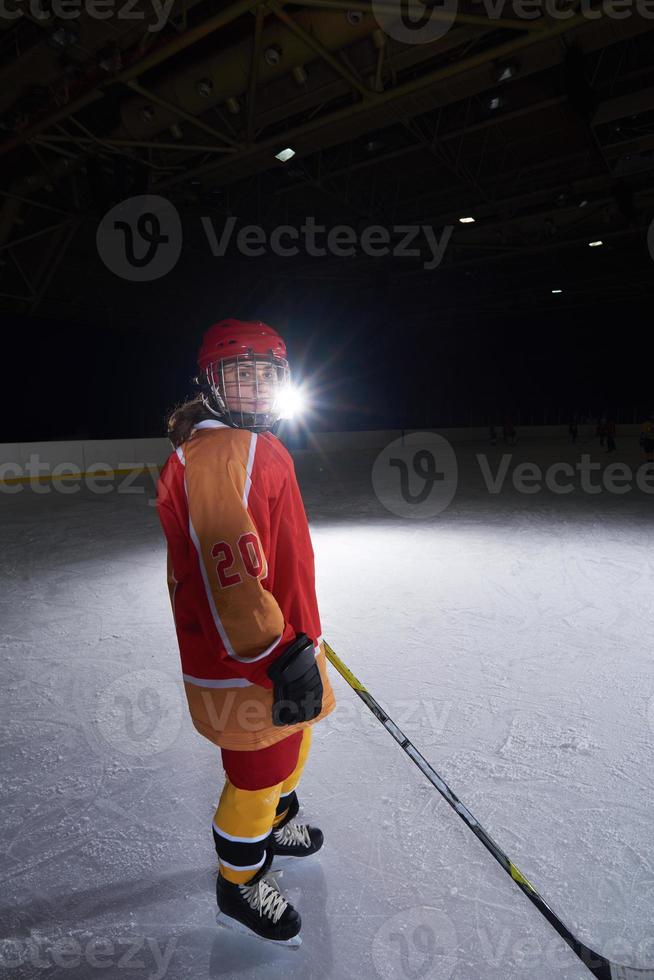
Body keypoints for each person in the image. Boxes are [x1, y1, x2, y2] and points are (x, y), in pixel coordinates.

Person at [156, 318, 336, 946]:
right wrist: (278, 652)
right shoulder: (219, 455)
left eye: (270, 374)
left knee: (293, 742)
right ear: (211, 381)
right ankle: (239, 882)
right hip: (250, 659)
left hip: (280, 643)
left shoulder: (244, 444)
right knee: (256, 774)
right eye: (242, 374)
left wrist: (301, 636)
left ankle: (281, 820)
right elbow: (228, 580)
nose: (258, 388)